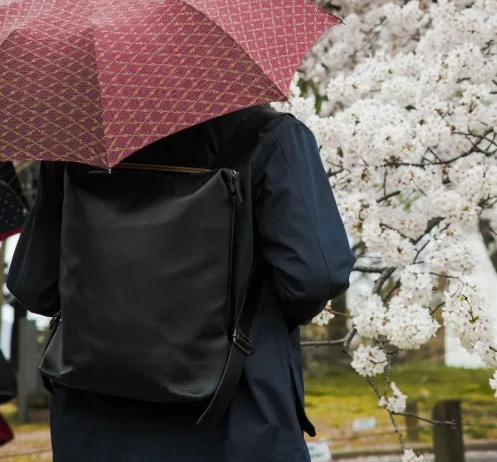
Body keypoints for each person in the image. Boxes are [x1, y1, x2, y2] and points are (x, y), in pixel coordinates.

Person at [8, 104, 355, 462]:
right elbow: (314, 278)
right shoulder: (269, 135)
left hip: (94, 422)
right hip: (235, 415)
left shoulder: (77, 146)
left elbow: (33, 285)